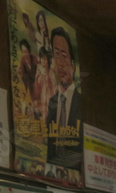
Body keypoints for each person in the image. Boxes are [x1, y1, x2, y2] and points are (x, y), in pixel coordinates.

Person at [45, 27, 82, 169]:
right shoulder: (52, 103)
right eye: (56, 55)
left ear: (73, 65)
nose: (60, 62)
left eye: (64, 56)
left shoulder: (82, 103)